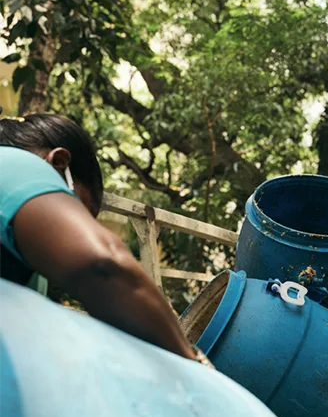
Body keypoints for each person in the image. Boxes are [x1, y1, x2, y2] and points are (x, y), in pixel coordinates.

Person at [0, 113, 208, 365]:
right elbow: (104, 266)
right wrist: (192, 363)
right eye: (79, 213)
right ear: (59, 163)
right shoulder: (14, 164)